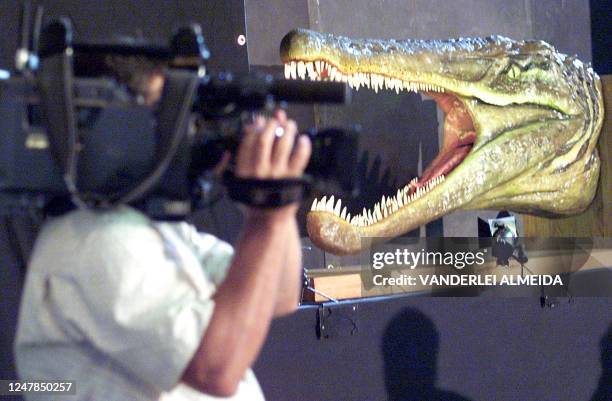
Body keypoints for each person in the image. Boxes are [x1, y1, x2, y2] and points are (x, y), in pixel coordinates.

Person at [14, 106, 311, 400]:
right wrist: (266, 219)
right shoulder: (96, 240)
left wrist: (280, 201)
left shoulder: (155, 231)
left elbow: (278, 296)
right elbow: (216, 371)